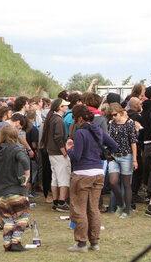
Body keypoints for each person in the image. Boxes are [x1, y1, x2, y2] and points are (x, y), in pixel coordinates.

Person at [65, 104, 117, 252]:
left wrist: (69, 151)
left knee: (79, 208)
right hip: (98, 172)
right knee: (94, 208)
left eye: (74, 119)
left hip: (82, 173)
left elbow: (78, 156)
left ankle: (81, 243)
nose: (74, 122)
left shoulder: (80, 133)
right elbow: (114, 145)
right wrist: (102, 154)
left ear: (80, 118)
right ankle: (94, 242)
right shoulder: (98, 130)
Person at [0, 124, 31, 252]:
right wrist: (27, 174)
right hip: (15, 189)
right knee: (23, 216)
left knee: (7, 218)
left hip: (0, 192)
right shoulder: (15, 149)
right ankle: (16, 241)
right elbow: (24, 160)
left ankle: (7, 244)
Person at [107, 103, 138, 217]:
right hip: (114, 156)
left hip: (127, 155)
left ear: (120, 113)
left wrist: (134, 159)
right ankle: (120, 204)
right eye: (111, 115)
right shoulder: (111, 124)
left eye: (115, 115)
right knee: (113, 182)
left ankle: (126, 210)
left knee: (126, 184)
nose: (113, 117)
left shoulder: (129, 124)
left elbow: (133, 142)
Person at [41, 98, 70, 212]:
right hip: (58, 152)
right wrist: (64, 151)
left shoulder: (52, 118)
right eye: (65, 106)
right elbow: (58, 137)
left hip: (51, 152)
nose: (67, 107)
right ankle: (61, 202)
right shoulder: (58, 120)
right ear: (60, 107)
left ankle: (56, 201)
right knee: (63, 177)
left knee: (55, 177)